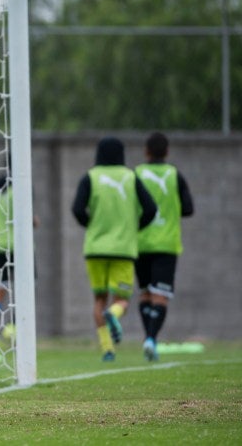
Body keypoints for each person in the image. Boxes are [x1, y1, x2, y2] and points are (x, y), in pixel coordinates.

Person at [71, 137, 157, 362]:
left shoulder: (90, 177)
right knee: (122, 300)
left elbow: (77, 209)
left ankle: (107, 348)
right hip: (123, 250)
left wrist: (91, 225)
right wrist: (133, 228)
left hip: (95, 249)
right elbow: (150, 209)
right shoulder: (130, 177)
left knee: (99, 299)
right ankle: (115, 314)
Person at [134, 132, 195, 361]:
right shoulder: (174, 175)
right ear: (167, 152)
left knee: (145, 294)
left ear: (146, 151)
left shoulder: (137, 173)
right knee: (161, 295)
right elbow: (188, 209)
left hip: (140, 243)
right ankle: (151, 339)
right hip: (166, 243)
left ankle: (148, 338)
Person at [0, 171, 39, 354]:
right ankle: (13, 326)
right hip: (19, 246)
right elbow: (25, 216)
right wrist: (34, 221)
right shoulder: (20, 189)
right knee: (26, 286)